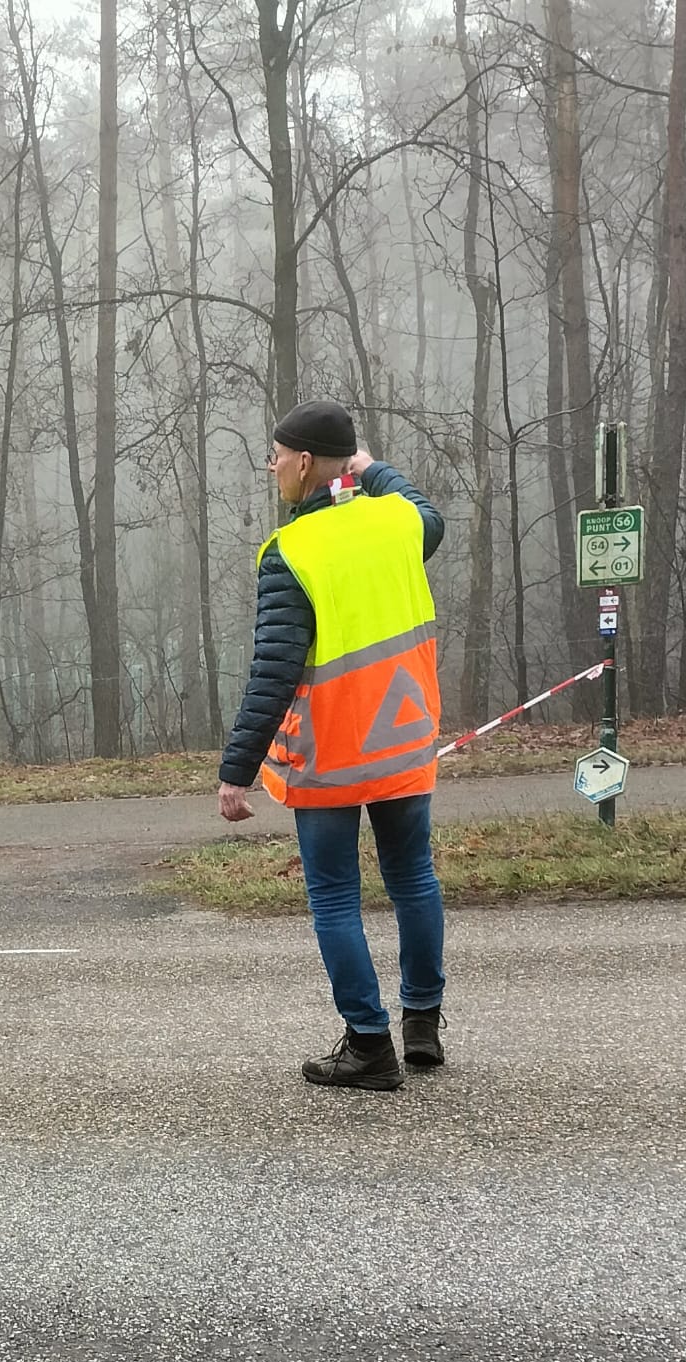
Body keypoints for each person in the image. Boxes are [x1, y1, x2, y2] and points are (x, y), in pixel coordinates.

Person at [217, 399, 447, 1090]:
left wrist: (237, 770)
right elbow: (424, 510)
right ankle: (422, 1024)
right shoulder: (398, 522)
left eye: (276, 455)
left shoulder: (291, 551)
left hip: (331, 756)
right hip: (404, 739)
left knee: (336, 899)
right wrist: (370, 467)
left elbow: (274, 671)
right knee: (413, 879)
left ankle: (370, 1046)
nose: (272, 467)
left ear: (305, 462)